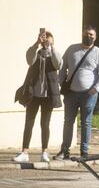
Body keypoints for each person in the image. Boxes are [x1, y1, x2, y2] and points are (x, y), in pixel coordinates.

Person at [54, 25, 99, 160]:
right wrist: (61, 83)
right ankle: (64, 150)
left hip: (89, 95)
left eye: (91, 35)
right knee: (68, 121)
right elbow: (62, 67)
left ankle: (84, 152)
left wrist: (96, 89)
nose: (88, 36)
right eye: (86, 34)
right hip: (71, 93)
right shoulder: (72, 49)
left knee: (86, 122)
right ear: (82, 35)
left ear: (95, 37)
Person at [13, 30, 63, 163]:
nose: (46, 41)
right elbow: (29, 60)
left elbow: (59, 64)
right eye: (44, 39)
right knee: (29, 122)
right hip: (33, 94)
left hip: (48, 96)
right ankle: (24, 152)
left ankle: (44, 152)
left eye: (48, 40)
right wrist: (36, 43)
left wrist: (51, 48)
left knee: (45, 124)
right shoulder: (36, 53)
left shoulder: (54, 55)